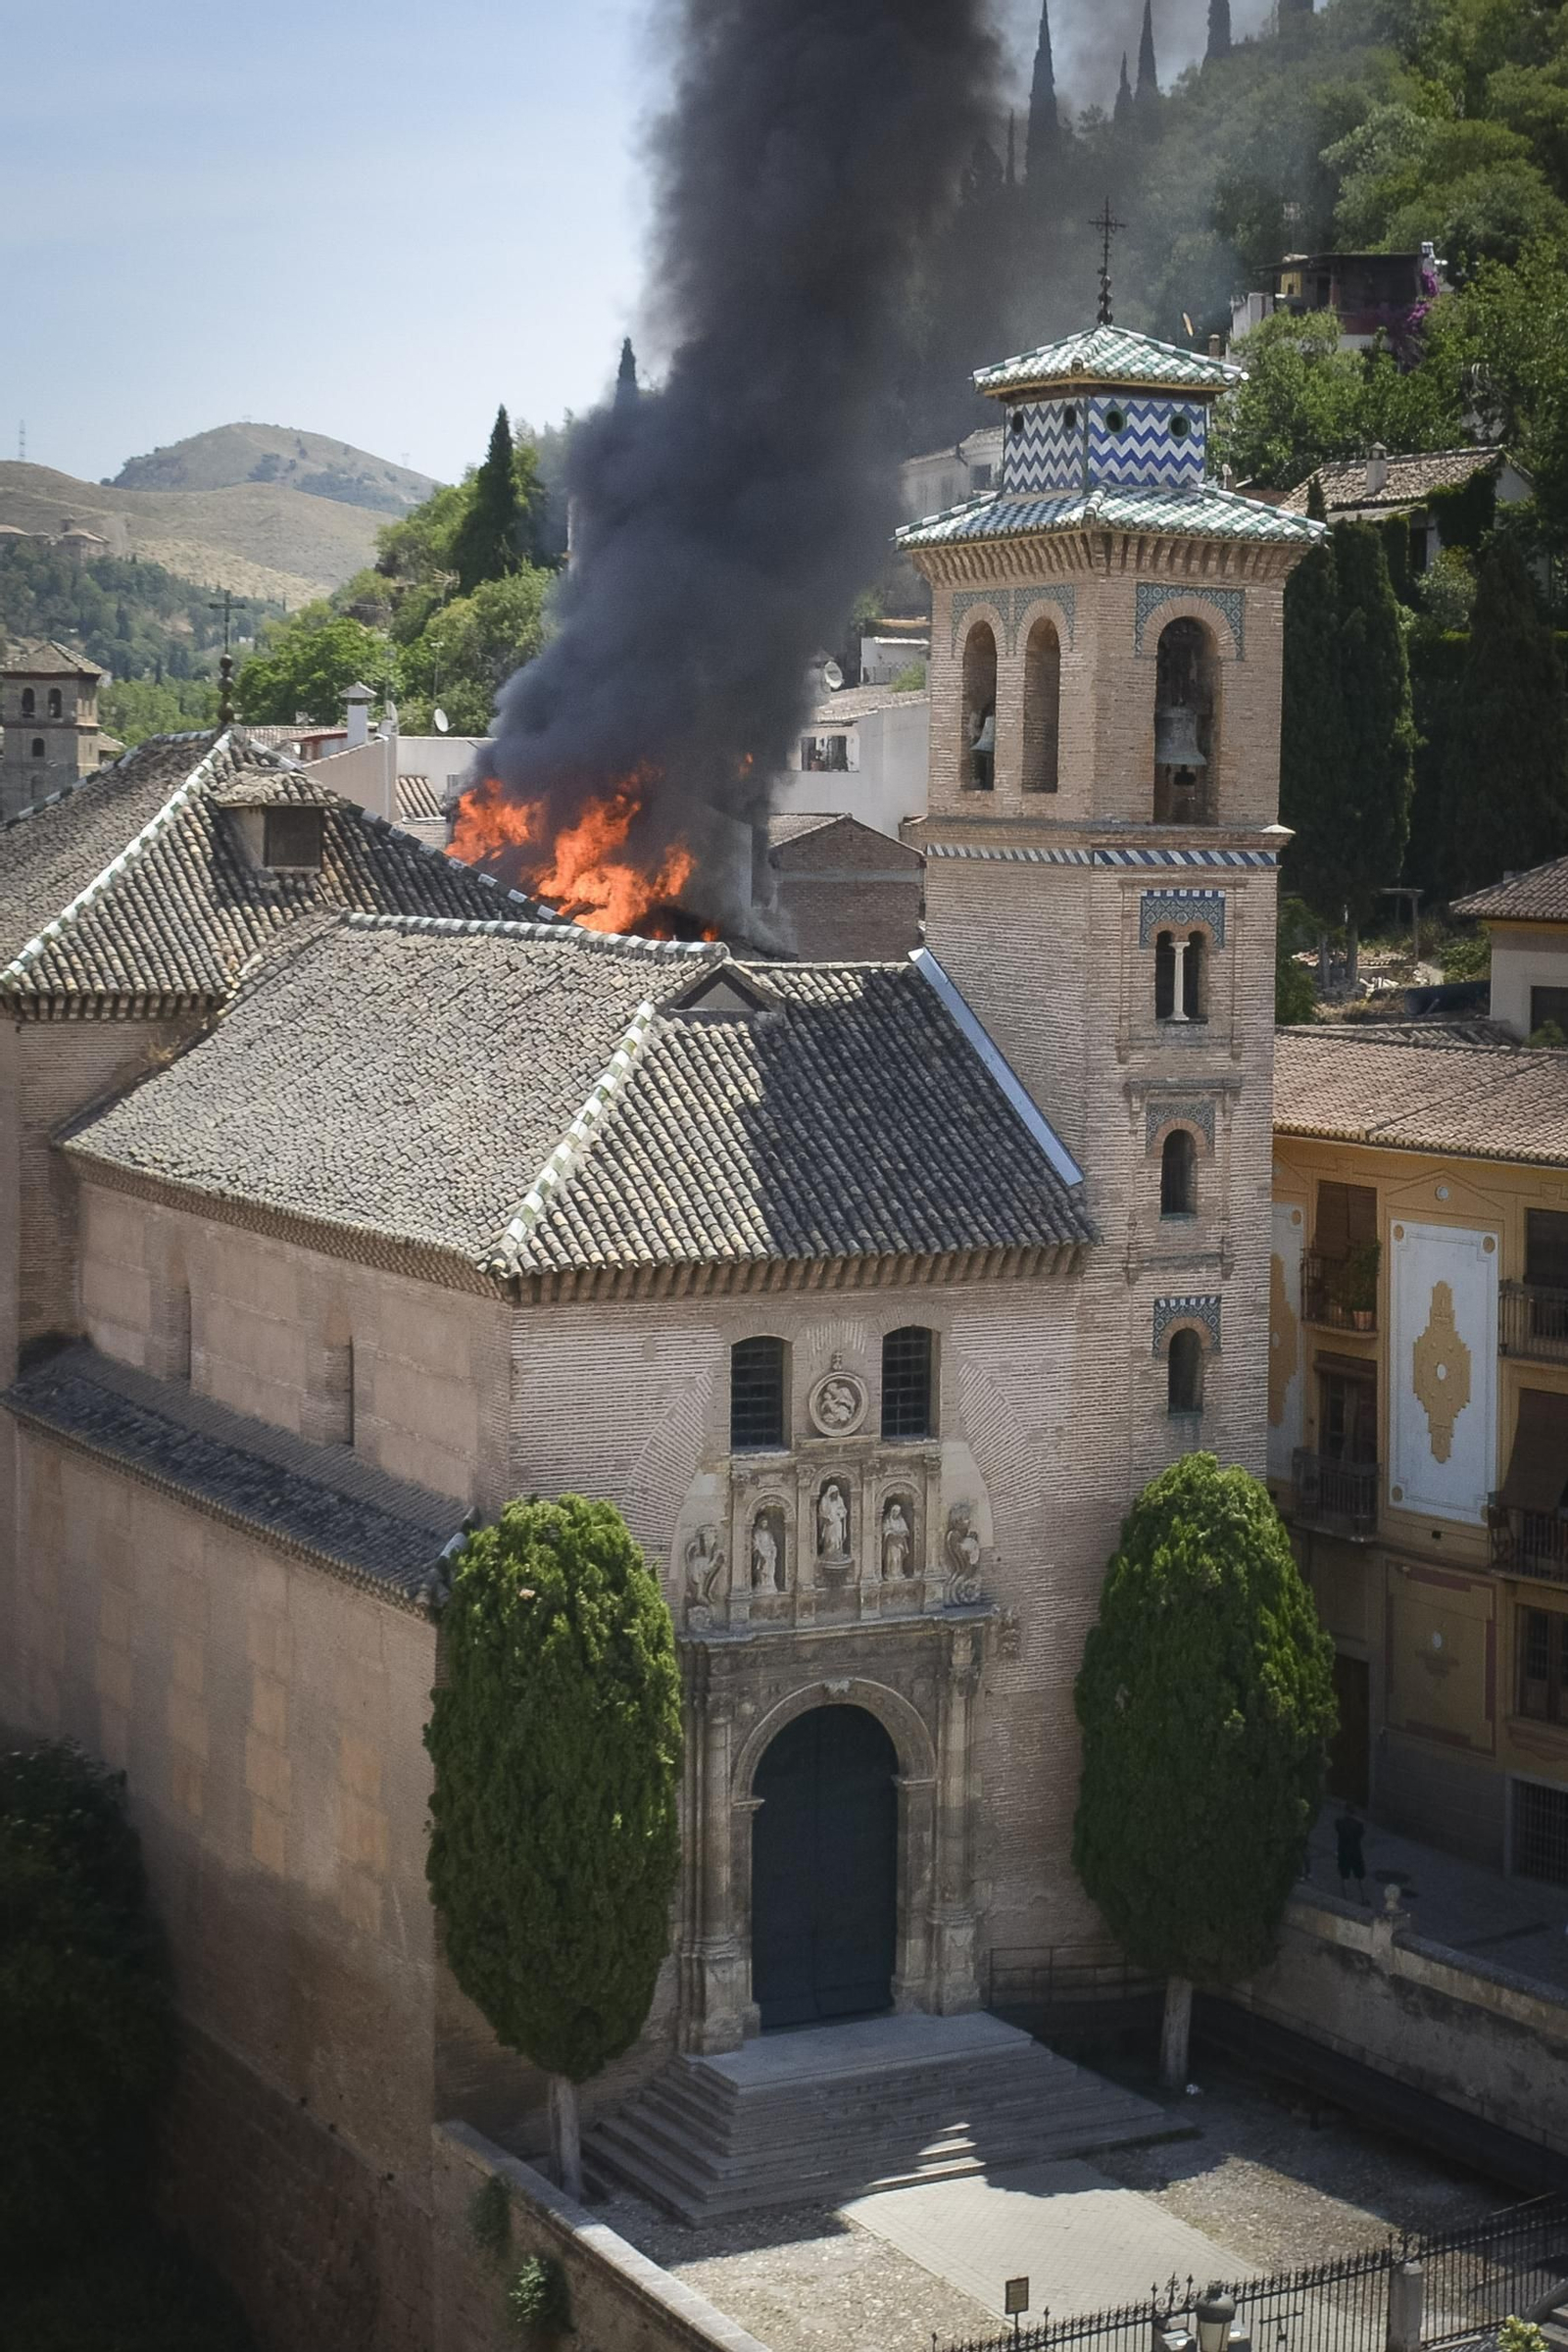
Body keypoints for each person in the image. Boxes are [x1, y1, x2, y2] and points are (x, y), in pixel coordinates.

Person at [1335, 1804, 1367, 1901]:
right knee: (1360, 1877)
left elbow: (1337, 1826)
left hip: (1344, 1852)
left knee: (1344, 1876)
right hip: (1356, 1852)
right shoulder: (1359, 1826)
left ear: (1345, 1811)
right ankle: (1363, 1898)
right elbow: (1361, 1833)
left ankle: (1346, 1899)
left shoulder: (1339, 1823)